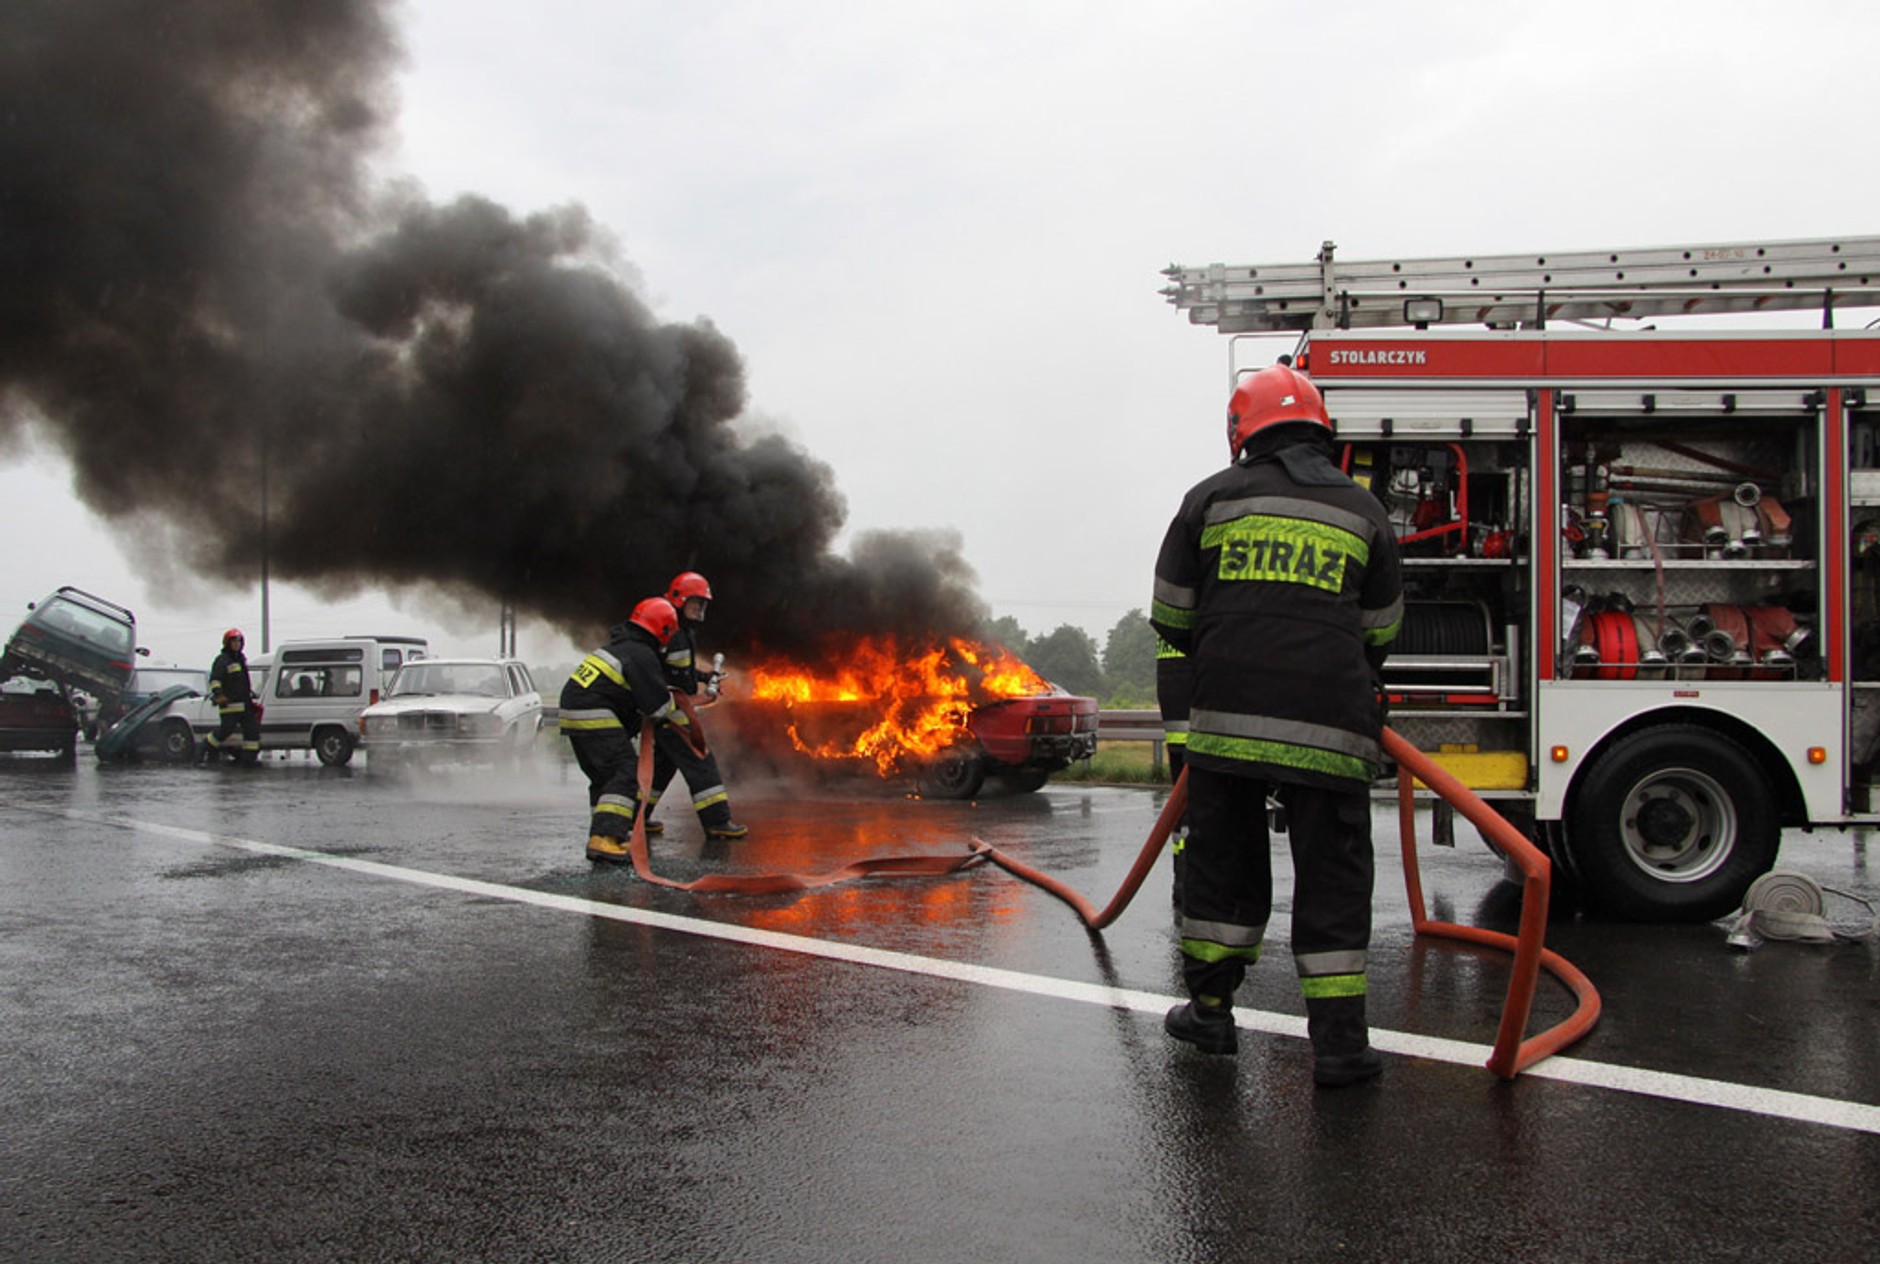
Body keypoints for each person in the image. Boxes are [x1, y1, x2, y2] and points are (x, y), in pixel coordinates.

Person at [1149, 362, 1403, 1087]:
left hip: (1228, 726)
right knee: (1334, 884)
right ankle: (1341, 1051)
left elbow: (1172, 614)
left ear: (1241, 432)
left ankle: (1209, 1013)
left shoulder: (1210, 500)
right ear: (1321, 430)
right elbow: (1381, 631)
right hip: (1335, 730)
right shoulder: (1364, 510)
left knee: (1223, 875)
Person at [560, 596, 704, 864]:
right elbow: (658, 707)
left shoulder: (622, 648)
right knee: (625, 769)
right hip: (594, 712)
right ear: (663, 630)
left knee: (604, 778)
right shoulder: (641, 654)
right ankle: (604, 838)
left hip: (573, 712)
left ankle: (606, 832)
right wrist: (683, 705)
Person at [642, 571, 748, 840]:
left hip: (673, 710)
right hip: (673, 712)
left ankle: (637, 817)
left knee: (661, 769)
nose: (701, 608)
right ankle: (718, 822)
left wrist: (704, 677)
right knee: (701, 762)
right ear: (679, 599)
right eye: (696, 602)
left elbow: (681, 672)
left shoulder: (683, 630)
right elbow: (665, 675)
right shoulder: (673, 631)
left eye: (703, 603)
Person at [202, 628, 262, 765]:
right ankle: (206, 746)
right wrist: (219, 694)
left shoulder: (241, 659)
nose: (237, 644)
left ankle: (248, 760)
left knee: (252, 731)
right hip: (229, 706)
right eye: (234, 641)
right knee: (226, 730)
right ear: (227, 643)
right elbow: (215, 680)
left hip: (245, 705)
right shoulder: (222, 660)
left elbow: (243, 682)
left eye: (239, 641)